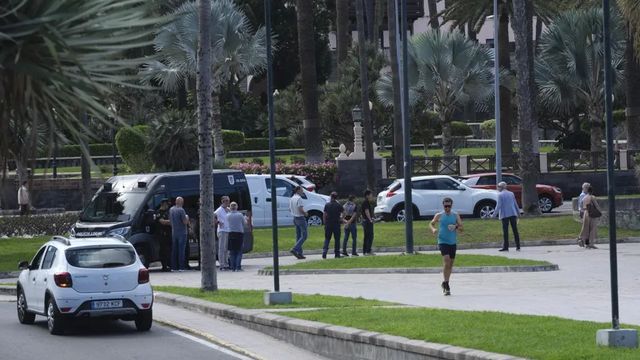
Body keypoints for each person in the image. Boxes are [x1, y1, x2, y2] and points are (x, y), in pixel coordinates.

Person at [429, 198, 463, 296]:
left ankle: (445, 282)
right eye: (445, 206)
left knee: (450, 265)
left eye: (449, 206)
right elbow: (431, 223)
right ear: (443, 206)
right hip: (442, 241)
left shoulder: (455, 215)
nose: (447, 208)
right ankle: (447, 284)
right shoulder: (439, 215)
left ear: (452, 206)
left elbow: (461, 228)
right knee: (447, 261)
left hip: (452, 242)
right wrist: (433, 229)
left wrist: (456, 227)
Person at [494, 181, 521, 252]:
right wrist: (518, 213)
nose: (497, 188)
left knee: (505, 231)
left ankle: (506, 247)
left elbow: (498, 205)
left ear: (501, 187)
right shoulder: (511, 193)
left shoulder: (500, 195)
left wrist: (494, 214)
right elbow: (515, 204)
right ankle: (518, 246)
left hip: (505, 215)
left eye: (498, 187)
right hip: (512, 213)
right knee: (515, 230)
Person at [169, 197, 189, 271]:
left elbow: (170, 221)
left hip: (174, 232)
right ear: (181, 202)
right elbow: (185, 222)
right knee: (181, 250)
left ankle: (173, 267)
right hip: (182, 232)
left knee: (174, 250)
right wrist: (187, 217)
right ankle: (181, 267)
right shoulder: (181, 210)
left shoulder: (171, 209)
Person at [322, 192, 344, 259]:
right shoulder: (338, 205)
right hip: (336, 224)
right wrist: (341, 218)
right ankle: (337, 254)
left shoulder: (327, 205)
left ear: (331, 197)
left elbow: (324, 214)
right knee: (337, 239)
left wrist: (325, 222)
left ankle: (324, 252)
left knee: (327, 239)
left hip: (328, 224)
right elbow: (344, 212)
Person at [226, 202, 247, 271]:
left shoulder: (227, 215)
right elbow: (244, 223)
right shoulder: (240, 215)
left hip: (230, 234)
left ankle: (232, 267)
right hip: (239, 234)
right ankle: (238, 267)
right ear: (236, 207)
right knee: (239, 251)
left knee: (232, 252)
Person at [289, 186, 308, 259]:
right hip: (300, 218)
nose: (303, 191)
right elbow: (300, 209)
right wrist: (305, 213)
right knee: (304, 236)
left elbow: (290, 209)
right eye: (302, 190)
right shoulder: (299, 199)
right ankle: (295, 249)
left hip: (295, 218)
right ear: (298, 190)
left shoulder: (292, 198)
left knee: (298, 236)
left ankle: (299, 253)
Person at [155, 198, 172, 271]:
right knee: (163, 250)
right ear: (164, 204)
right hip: (162, 234)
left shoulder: (167, 212)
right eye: (167, 204)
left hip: (168, 233)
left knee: (169, 250)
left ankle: (169, 265)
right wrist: (172, 221)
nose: (168, 206)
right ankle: (164, 266)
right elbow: (162, 222)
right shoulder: (158, 212)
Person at [214, 196, 231, 270]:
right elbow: (213, 216)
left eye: (228, 201)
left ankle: (226, 263)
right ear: (222, 202)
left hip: (228, 230)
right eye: (226, 201)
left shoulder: (228, 209)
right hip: (222, 230)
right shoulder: (219, 210)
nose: (227, 202)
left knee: (226, 248)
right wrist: (218, 222)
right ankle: (222, 264)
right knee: (221, 248)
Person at [361, 189, 375, 256]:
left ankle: (365, 251)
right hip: (367, 222)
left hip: (366, 221)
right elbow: (366, 211)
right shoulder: (366, 202)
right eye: (370, 194)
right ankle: (368, 251)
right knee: (370, 236)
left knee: (367, 236)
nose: (371, 195)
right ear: (367, 195)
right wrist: (370, 219)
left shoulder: (366, 202)